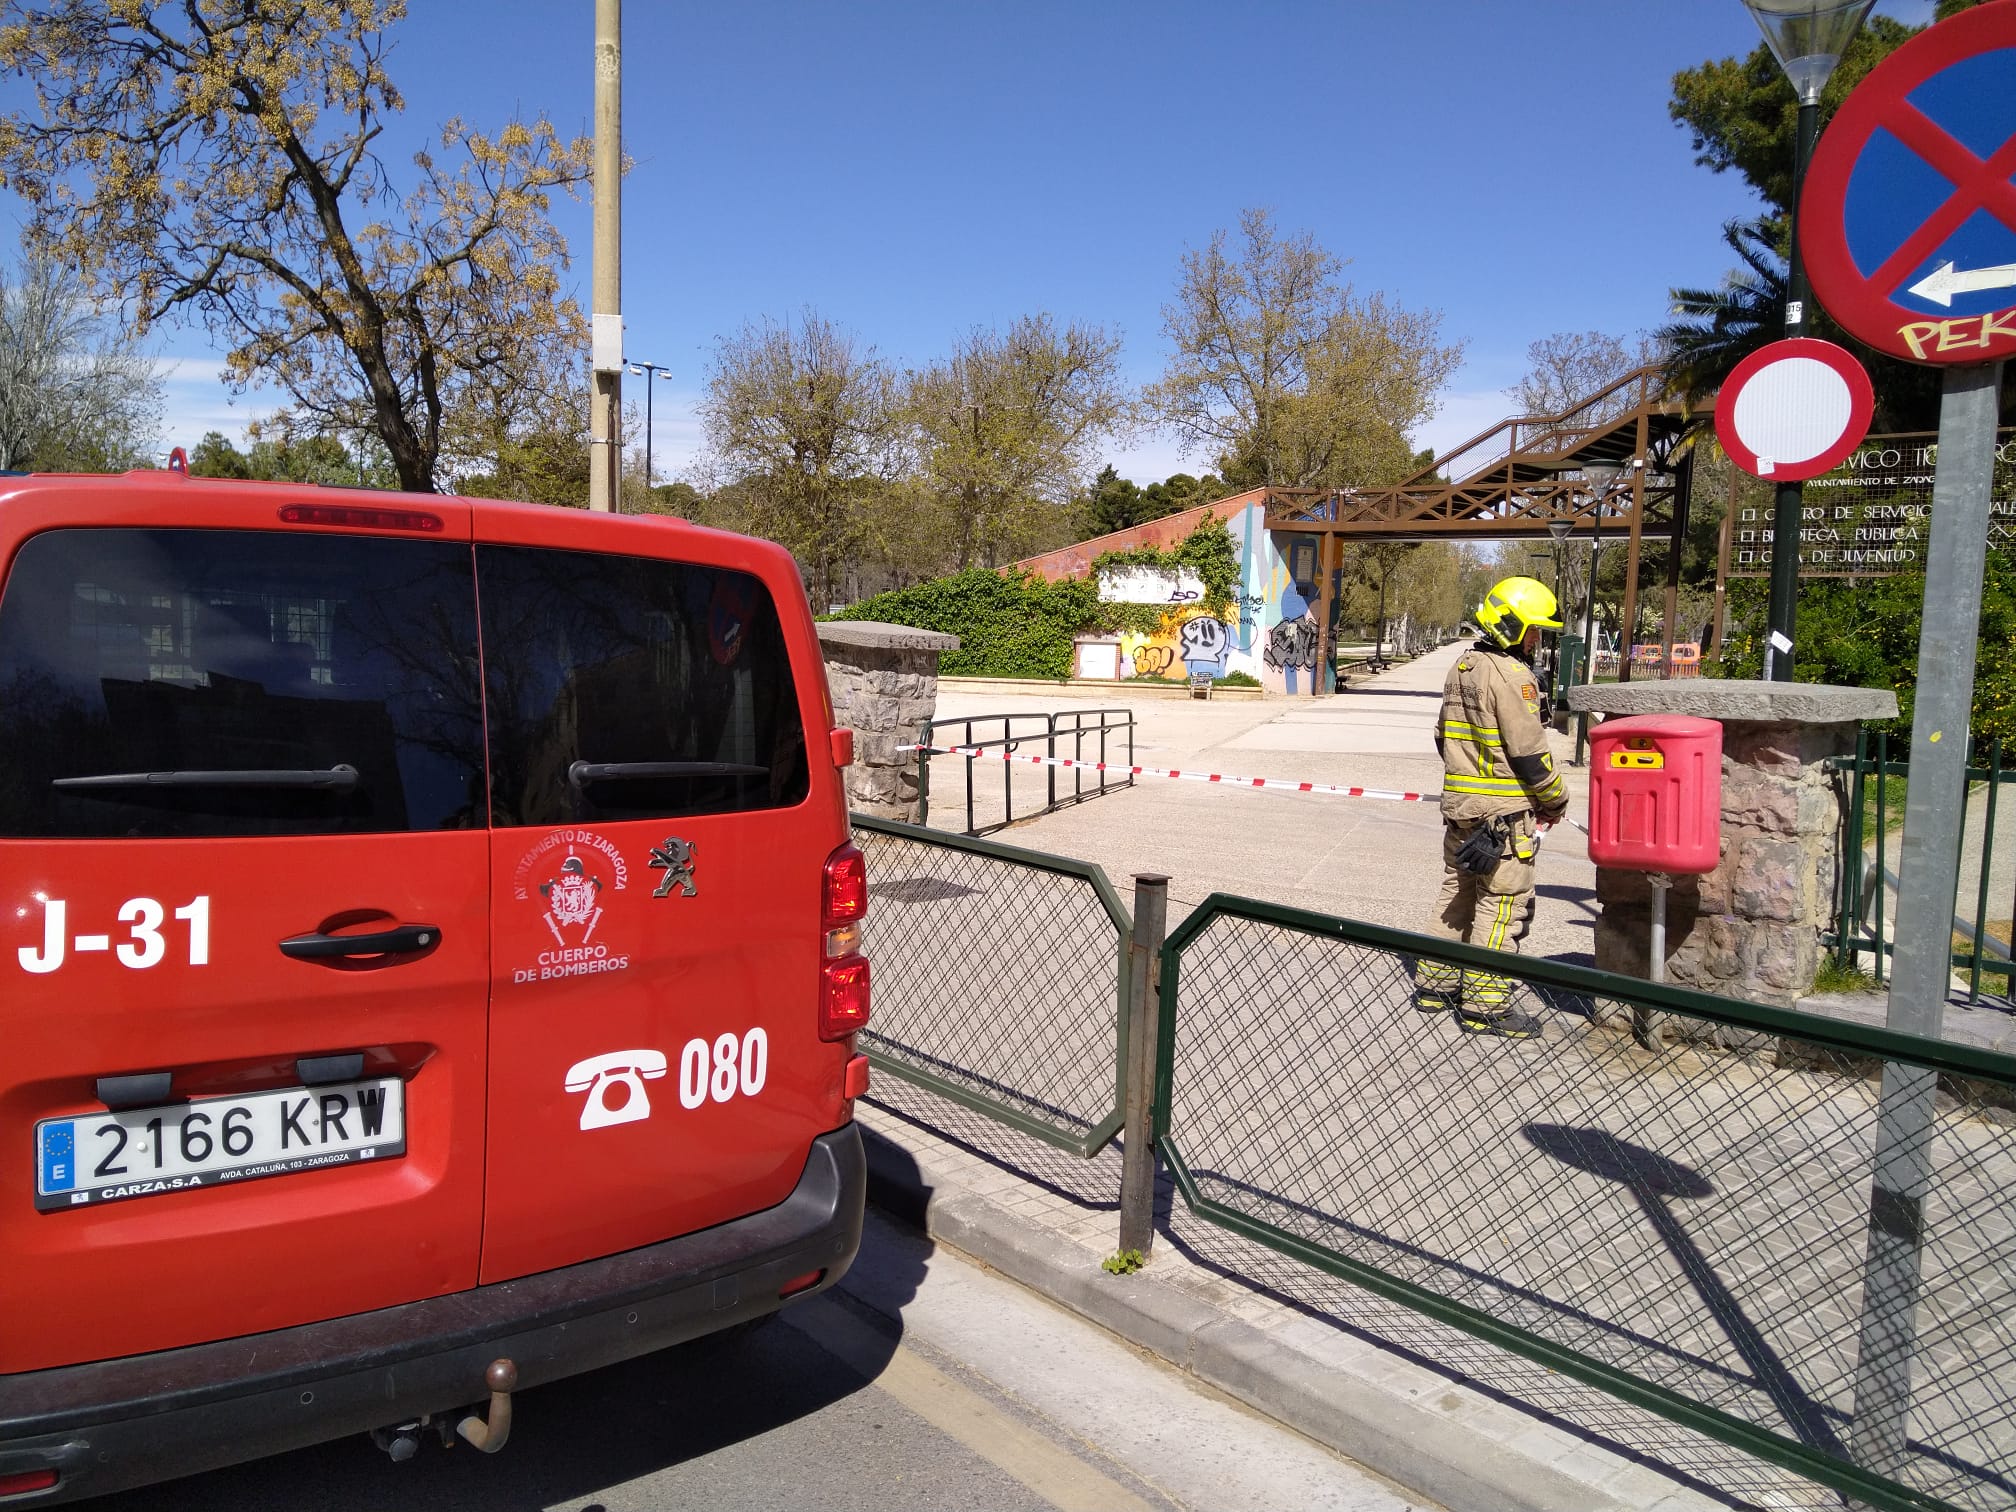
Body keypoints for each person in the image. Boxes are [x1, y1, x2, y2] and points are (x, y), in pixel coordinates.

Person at [1414, 576, 1569, 1039]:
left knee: (1456, 893)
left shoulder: (1462, 665)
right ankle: (1484, 1005)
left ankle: (1434, 986)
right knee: (1502, 904)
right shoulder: (1512, 676)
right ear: (1514, 626)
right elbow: (1529, 754)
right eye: (1535, 631)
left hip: (1460, 806)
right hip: (1503, 817)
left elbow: (1444, 737)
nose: (1538, 640)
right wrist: (1555, 799)